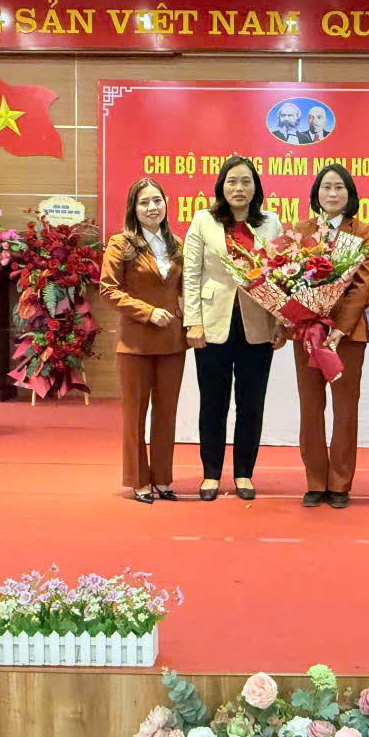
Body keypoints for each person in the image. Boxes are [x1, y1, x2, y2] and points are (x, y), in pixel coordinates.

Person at [183, 155, 285, 501]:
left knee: (251, 403)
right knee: (213, 402)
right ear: (221, 187)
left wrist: (280, 322)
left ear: (256, 187)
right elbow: (191, 274)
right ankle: (211, 474)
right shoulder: (203, 220)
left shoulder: (271, 223)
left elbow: (281, 276)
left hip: (257, 323)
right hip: (213, 322)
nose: (238, 188)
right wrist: (193, 322)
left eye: (245, 181)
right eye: (232, 181)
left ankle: (244, 472)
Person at [292, 163, 369, 509]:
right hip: (307, 333)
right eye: (326, 187)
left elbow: (361, 286)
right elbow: (288, 279)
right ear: (316, 193)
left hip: (347, 336)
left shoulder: (362, 233)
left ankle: (340, 483)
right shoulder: (301, 231)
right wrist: (303, 316)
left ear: (349, 194)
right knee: (310, 409)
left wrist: (340, 328)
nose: (332, 193)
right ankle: (315, 481)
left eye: (339, 187)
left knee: (345, 410)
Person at [99, 178, 186, 504]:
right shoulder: (120, 244)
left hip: (172, 342)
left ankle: (162, 478)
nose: (152, 208)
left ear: (166, 203)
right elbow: (107, 289)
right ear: (133, 209)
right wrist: (147, 312)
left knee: (167, 413)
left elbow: (184, 289)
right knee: (135, 414)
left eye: (157, 201)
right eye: (144, 202)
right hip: (135, 342)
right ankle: (139, 480)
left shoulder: (177, 244)